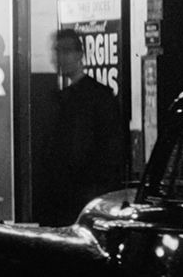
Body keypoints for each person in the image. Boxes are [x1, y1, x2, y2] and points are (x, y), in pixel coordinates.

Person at [39, 28, 124, 225]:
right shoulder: (92, 96)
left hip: (80, 195)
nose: (60, 57)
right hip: (77, 195)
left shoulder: (87, 98)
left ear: (79, 55)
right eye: (58, 51)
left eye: (66, 51)